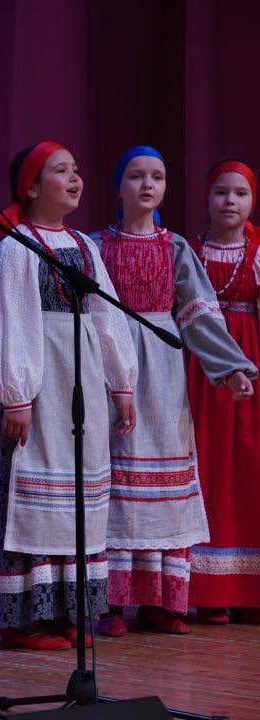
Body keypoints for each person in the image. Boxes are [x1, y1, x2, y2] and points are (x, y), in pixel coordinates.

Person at [0, 140, 137, 651]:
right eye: (61, 170)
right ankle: (20, 618)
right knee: (27, 494)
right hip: (35, 388)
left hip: (79, 385)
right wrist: (16, 396)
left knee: (78, 496)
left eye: (76, 168)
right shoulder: (15, 248)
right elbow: (7, 322)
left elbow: (107, 318)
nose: (75, 177)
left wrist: (121, 383)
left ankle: (66, 606)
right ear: (32, 187)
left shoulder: (84, 248)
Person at [92, 147, 255, 636]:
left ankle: (162, 601)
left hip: (163, 370)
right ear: (118, 186)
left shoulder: (175, 247)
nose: (148, 185)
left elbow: (199, 313)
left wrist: (230, 367)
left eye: (157, 177)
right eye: (136, 176)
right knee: (117, 481)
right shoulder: (97, 245)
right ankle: (111, 602)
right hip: (113, 363)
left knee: (165, 483)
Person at [186, 160, 260, 625]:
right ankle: (209, 591)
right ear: (206, 197)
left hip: (251, 369)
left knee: (249, 471)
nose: (230, 201)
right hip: (198, 370)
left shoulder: (258, 252)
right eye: (220, 192)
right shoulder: (188, 251)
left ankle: (250, 589)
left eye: (240, 193)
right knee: (206, 468)